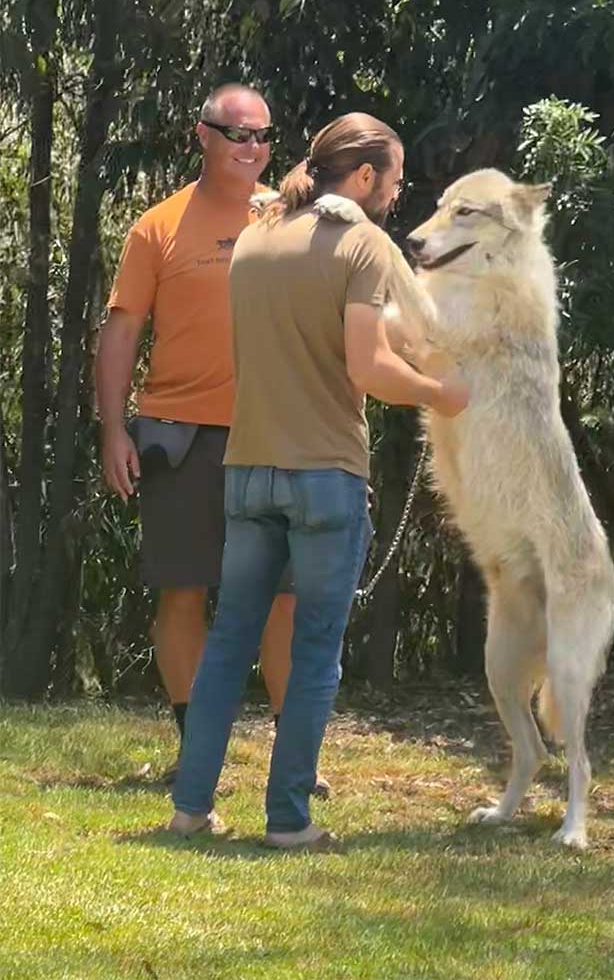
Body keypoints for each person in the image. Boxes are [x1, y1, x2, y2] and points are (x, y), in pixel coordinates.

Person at [169, 112, 470, 847]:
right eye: (394, 180)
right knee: (313, 653)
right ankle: (289, 821)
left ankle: (189, 808)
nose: (396, 195)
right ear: (364, 176)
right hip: (323, 478)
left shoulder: (257, 235)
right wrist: (442, 394)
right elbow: (368, 368)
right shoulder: (359, 243)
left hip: (247, 471)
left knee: (230, 638)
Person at [96, 84, 296, 769]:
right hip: (178, 436)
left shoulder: (286, 219)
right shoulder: (159, 225)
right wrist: (112, 430)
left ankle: (295, 752)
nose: (253, 148)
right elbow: (122, 331)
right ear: (202, 135)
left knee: (284, 597)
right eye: (239, 134)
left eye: (264, 136)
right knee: (184, 592)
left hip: (273, 437)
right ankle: (198, 747)